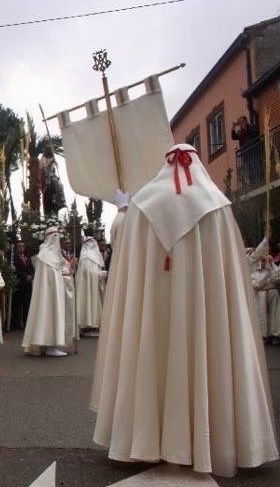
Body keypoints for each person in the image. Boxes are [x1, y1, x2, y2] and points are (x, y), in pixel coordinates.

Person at [91, 143, 278, 477]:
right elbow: (229, 278)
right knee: (213, 346)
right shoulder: (217, 207)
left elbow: (127, 270)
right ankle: (213, 441)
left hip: (152, 309)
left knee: (147, 352)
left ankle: (144, 440)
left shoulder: (141, 208)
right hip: (206, 311)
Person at [22, 227, 73, 357]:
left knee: (53, 313)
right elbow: (48, 278)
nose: (57, 241)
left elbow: (62, 267)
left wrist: (69, 267)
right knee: (48, 313)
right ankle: (49, 344)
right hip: (48, 294)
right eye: (54, 237)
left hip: (55, 292)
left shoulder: (55, 255)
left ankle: (51, 344)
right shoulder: (44, 255)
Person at [76, 236, 105, 337]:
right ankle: (88, 326)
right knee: (89, 303)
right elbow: (89, 272)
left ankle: (92, 326)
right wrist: (100, 274)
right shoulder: (87, 256)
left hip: (93, 286)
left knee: (92, 303)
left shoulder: (87, 256)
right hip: (88, 287)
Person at [11, 241, 34, 330]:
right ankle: (17, 323)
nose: (21, 248)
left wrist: (31, 275)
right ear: (17, 248)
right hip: (19, 283)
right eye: (19, 246)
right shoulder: (14, 258)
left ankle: (26, 322)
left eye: (23, 247)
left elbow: (32, 268)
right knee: (18, 304)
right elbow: (15, 270)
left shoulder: (27, 257)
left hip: (27, 284)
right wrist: (25, 276)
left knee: (27, 304)